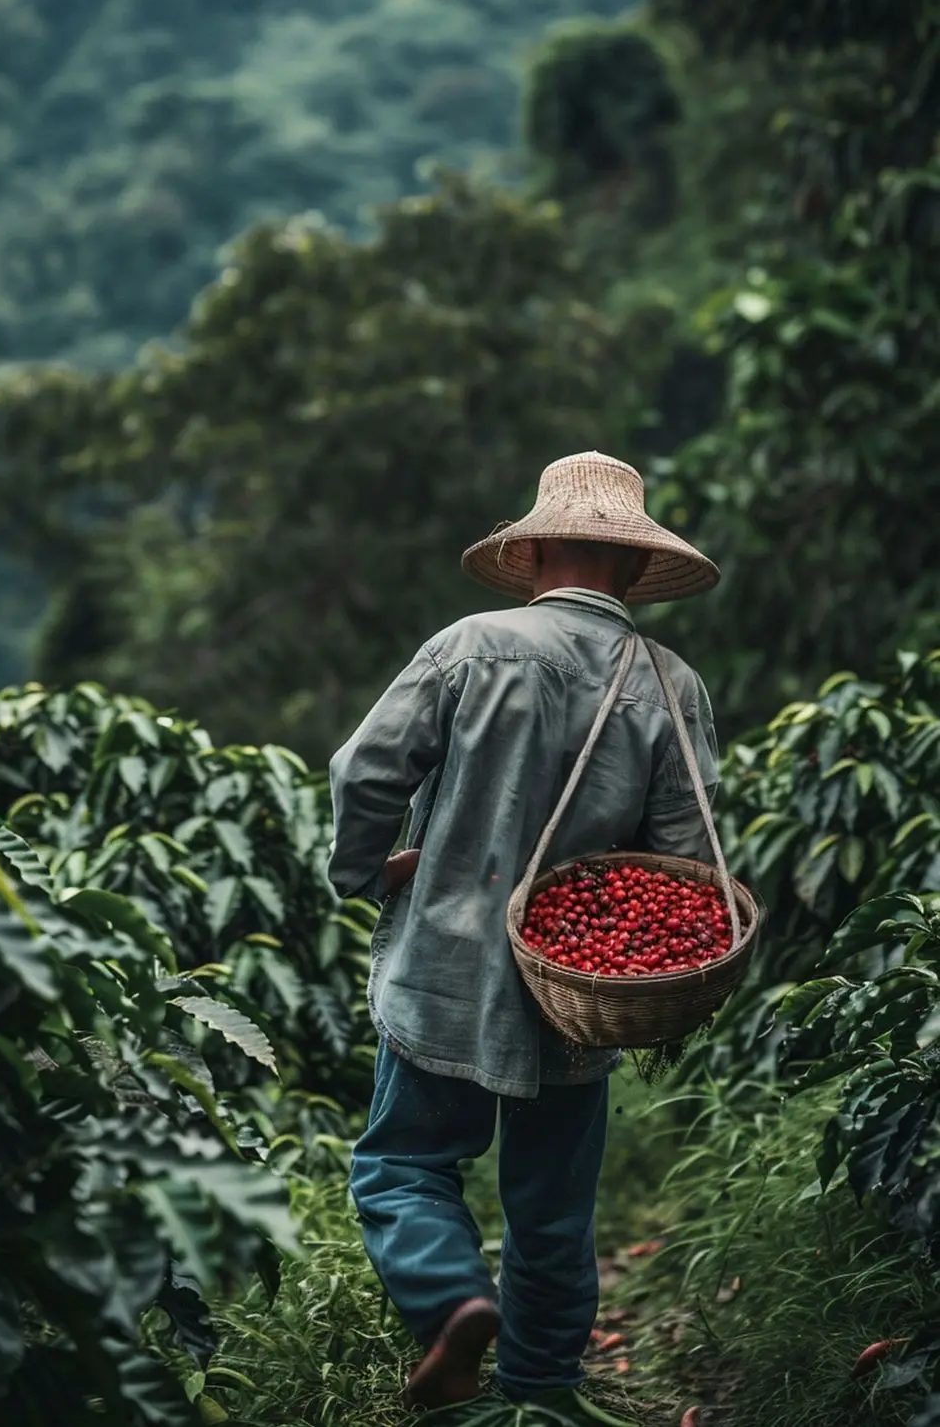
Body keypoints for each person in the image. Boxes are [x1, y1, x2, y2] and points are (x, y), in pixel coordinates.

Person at [326, 451, 721, 1411]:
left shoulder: (469, 647)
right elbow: (682, 862)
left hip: (446, 970)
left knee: (406, 1165)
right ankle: (541, 1391)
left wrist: (364, 871)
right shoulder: (671, 685)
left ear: (533, 547)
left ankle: (453, 1298)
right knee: (551, 1209)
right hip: (576, 986)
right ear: (633, 569)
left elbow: (365, 772)